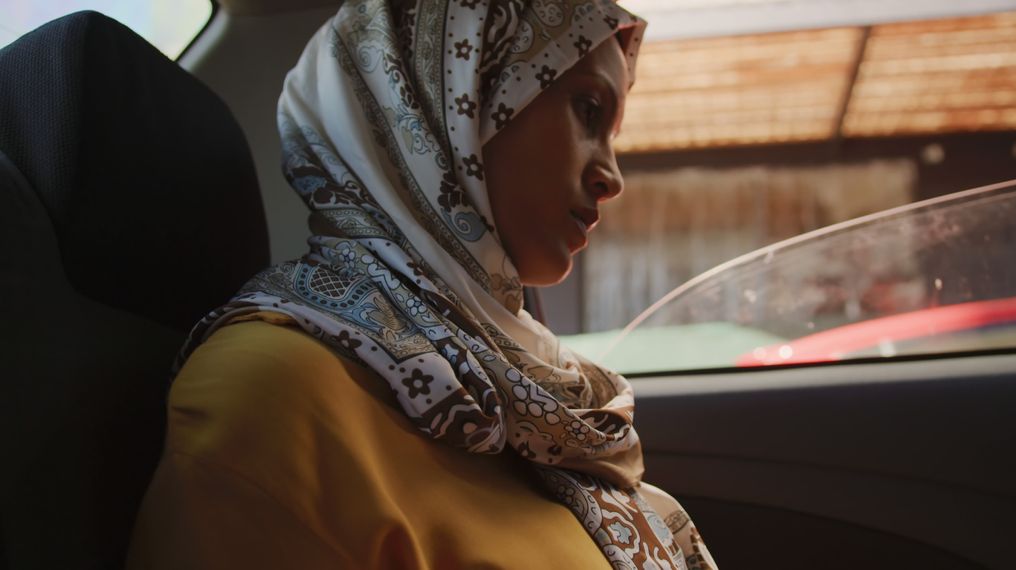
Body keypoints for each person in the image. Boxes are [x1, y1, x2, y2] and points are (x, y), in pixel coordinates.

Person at [127, 1, 716, 568]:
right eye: (587, 109)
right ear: (449, 97)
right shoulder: (271, 396)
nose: (612, 177)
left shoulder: (516, 376)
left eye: (611, 132)